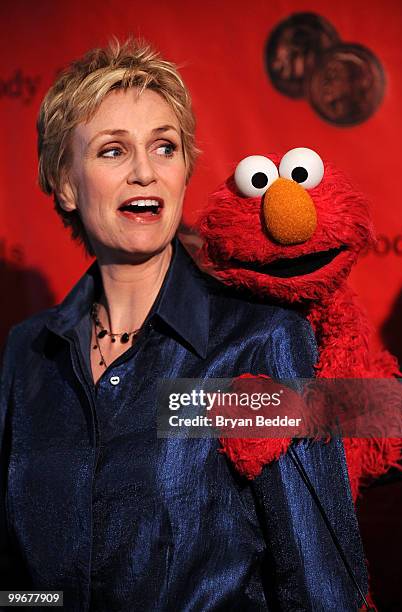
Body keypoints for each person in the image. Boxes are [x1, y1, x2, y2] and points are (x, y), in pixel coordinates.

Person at [0, 38, 368, 611]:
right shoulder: (26, 355)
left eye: (164, 147)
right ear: (66, 184)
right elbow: (16, 581)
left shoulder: (260, 340)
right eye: (112, 152)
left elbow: (318, 582)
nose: (145, 172)